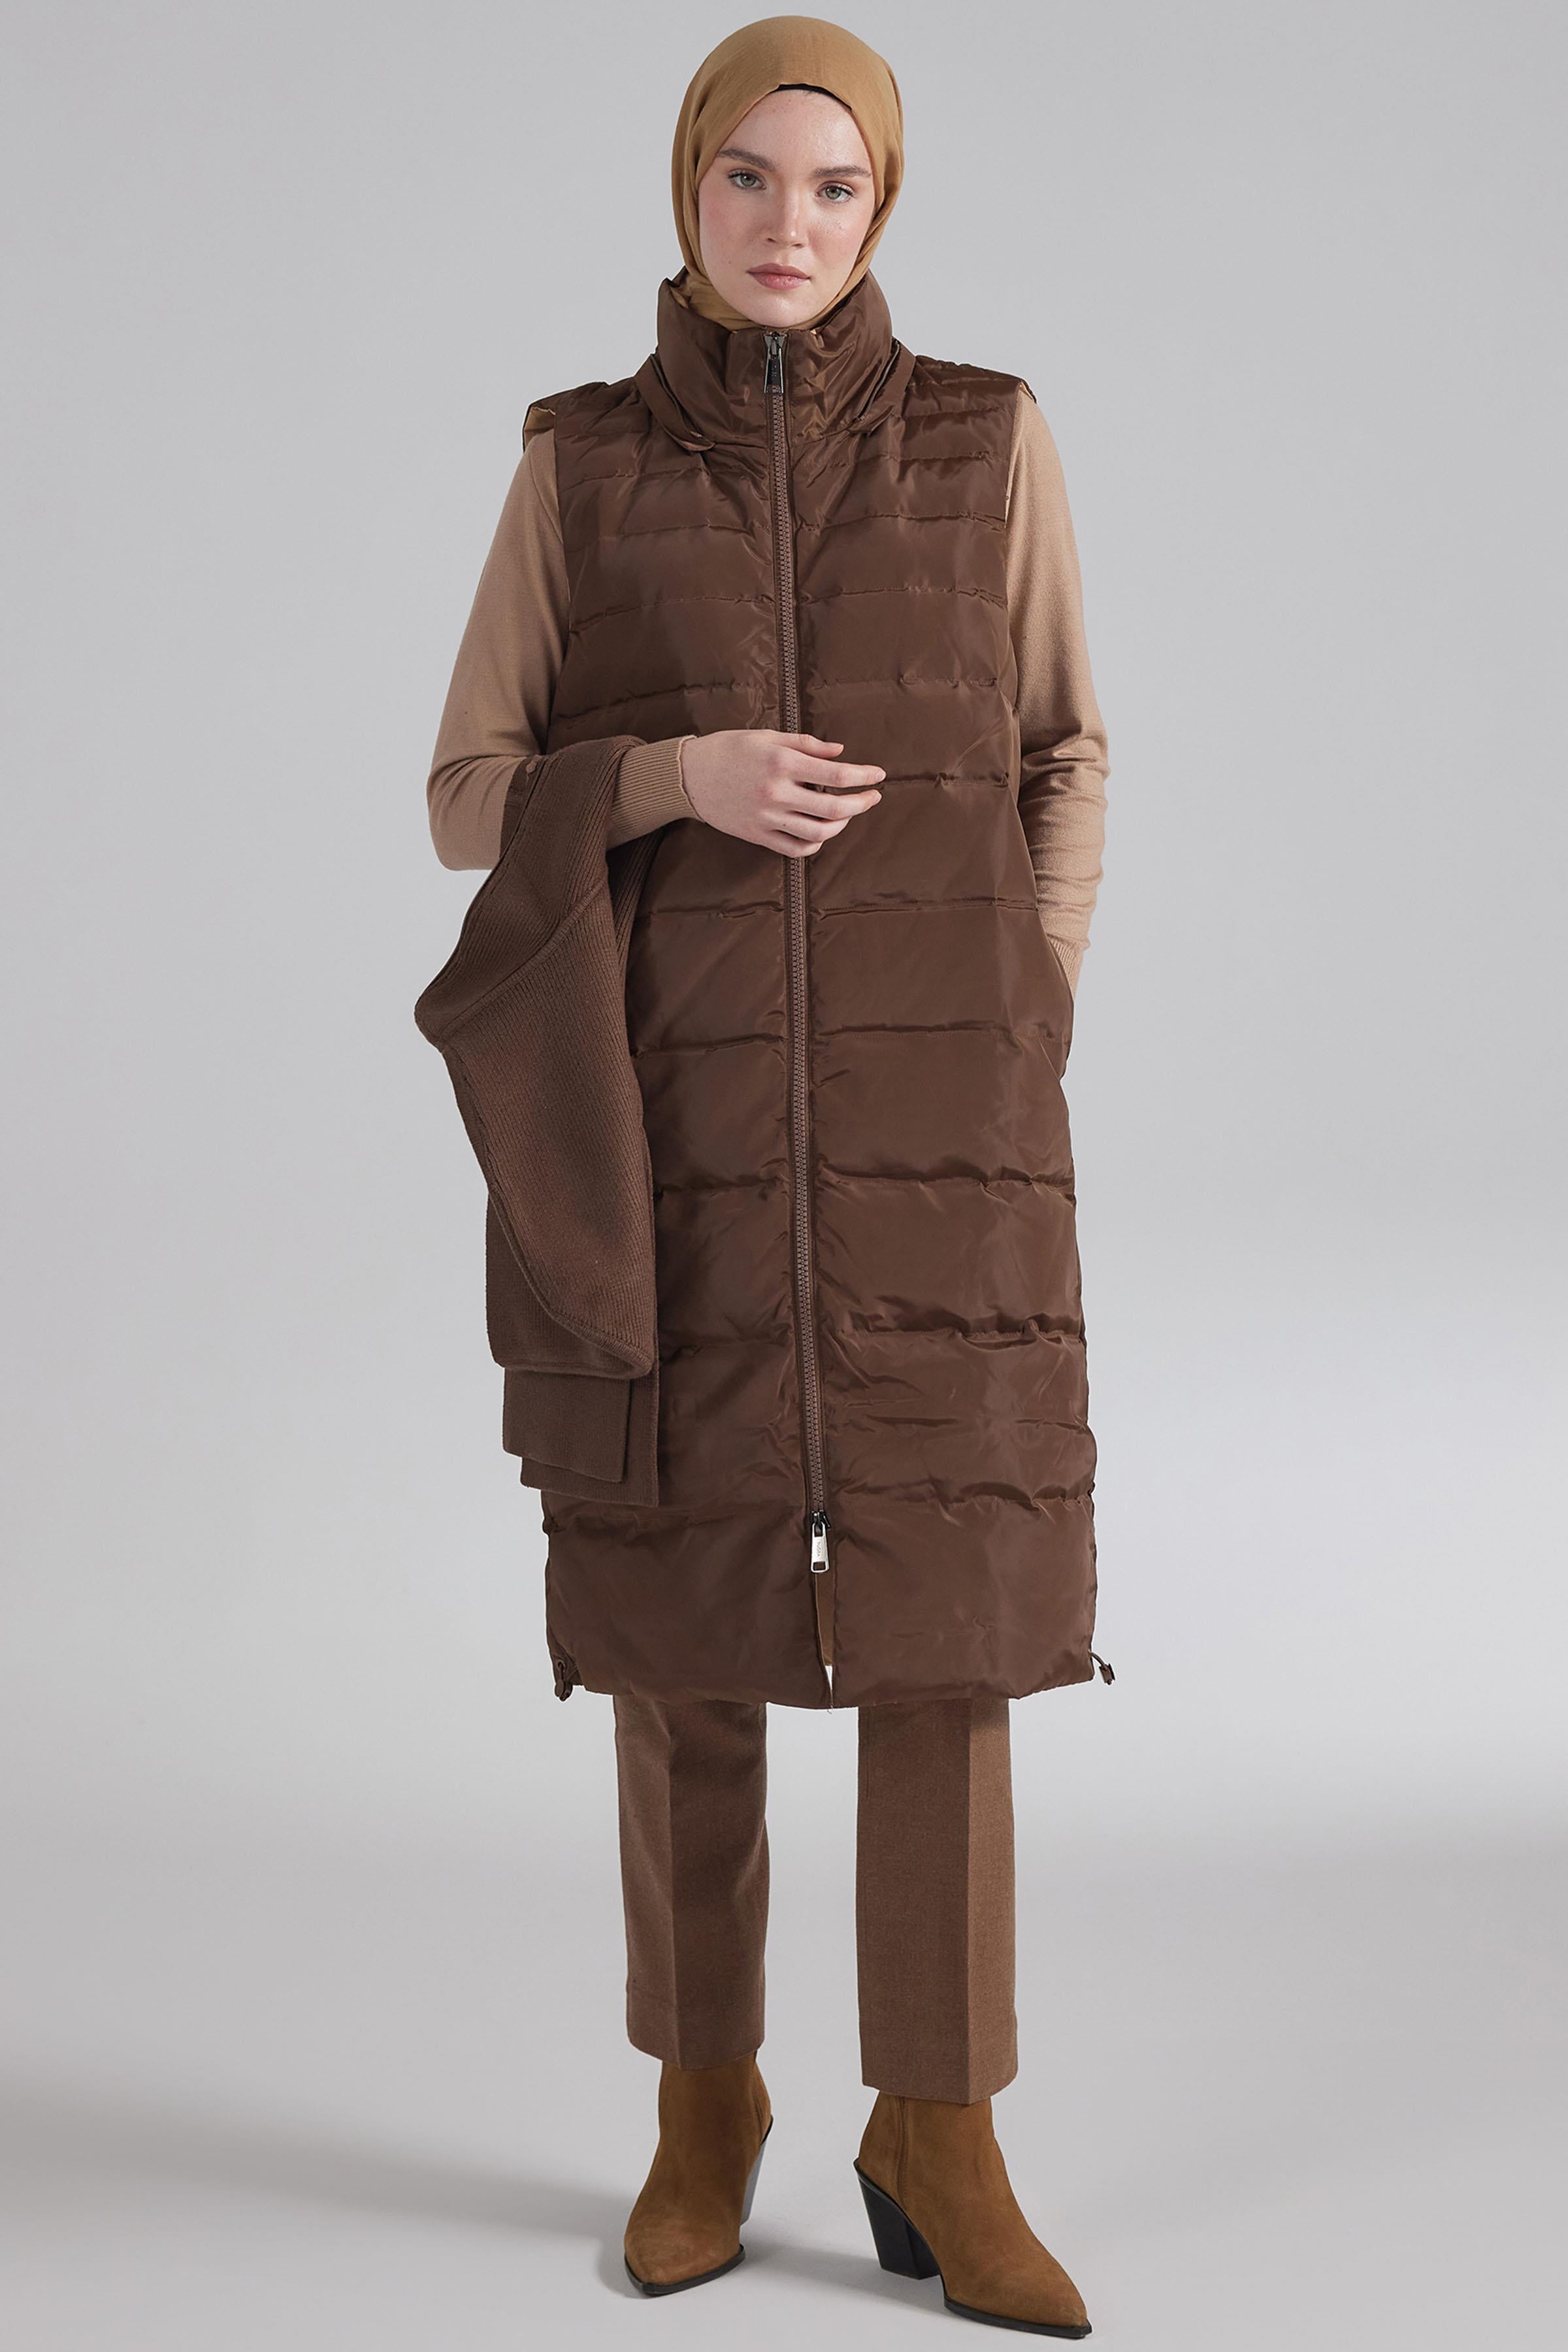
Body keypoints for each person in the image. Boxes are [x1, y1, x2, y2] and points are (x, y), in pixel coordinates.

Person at [423, 14, 1109, 2335]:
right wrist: (670, 776)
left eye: (834, 186)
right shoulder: (582, 463)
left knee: (948, 1619)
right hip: (672, 1129)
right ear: (688, 188)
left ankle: (941, 2124)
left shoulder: (988, 440)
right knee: (682, 1625)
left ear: (882, 206)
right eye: (747, 177)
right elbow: (467, 788)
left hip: (944, 1140)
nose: (788, 223)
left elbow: (1066, 745)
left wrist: (1021, 1002)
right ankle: (701, 2104)